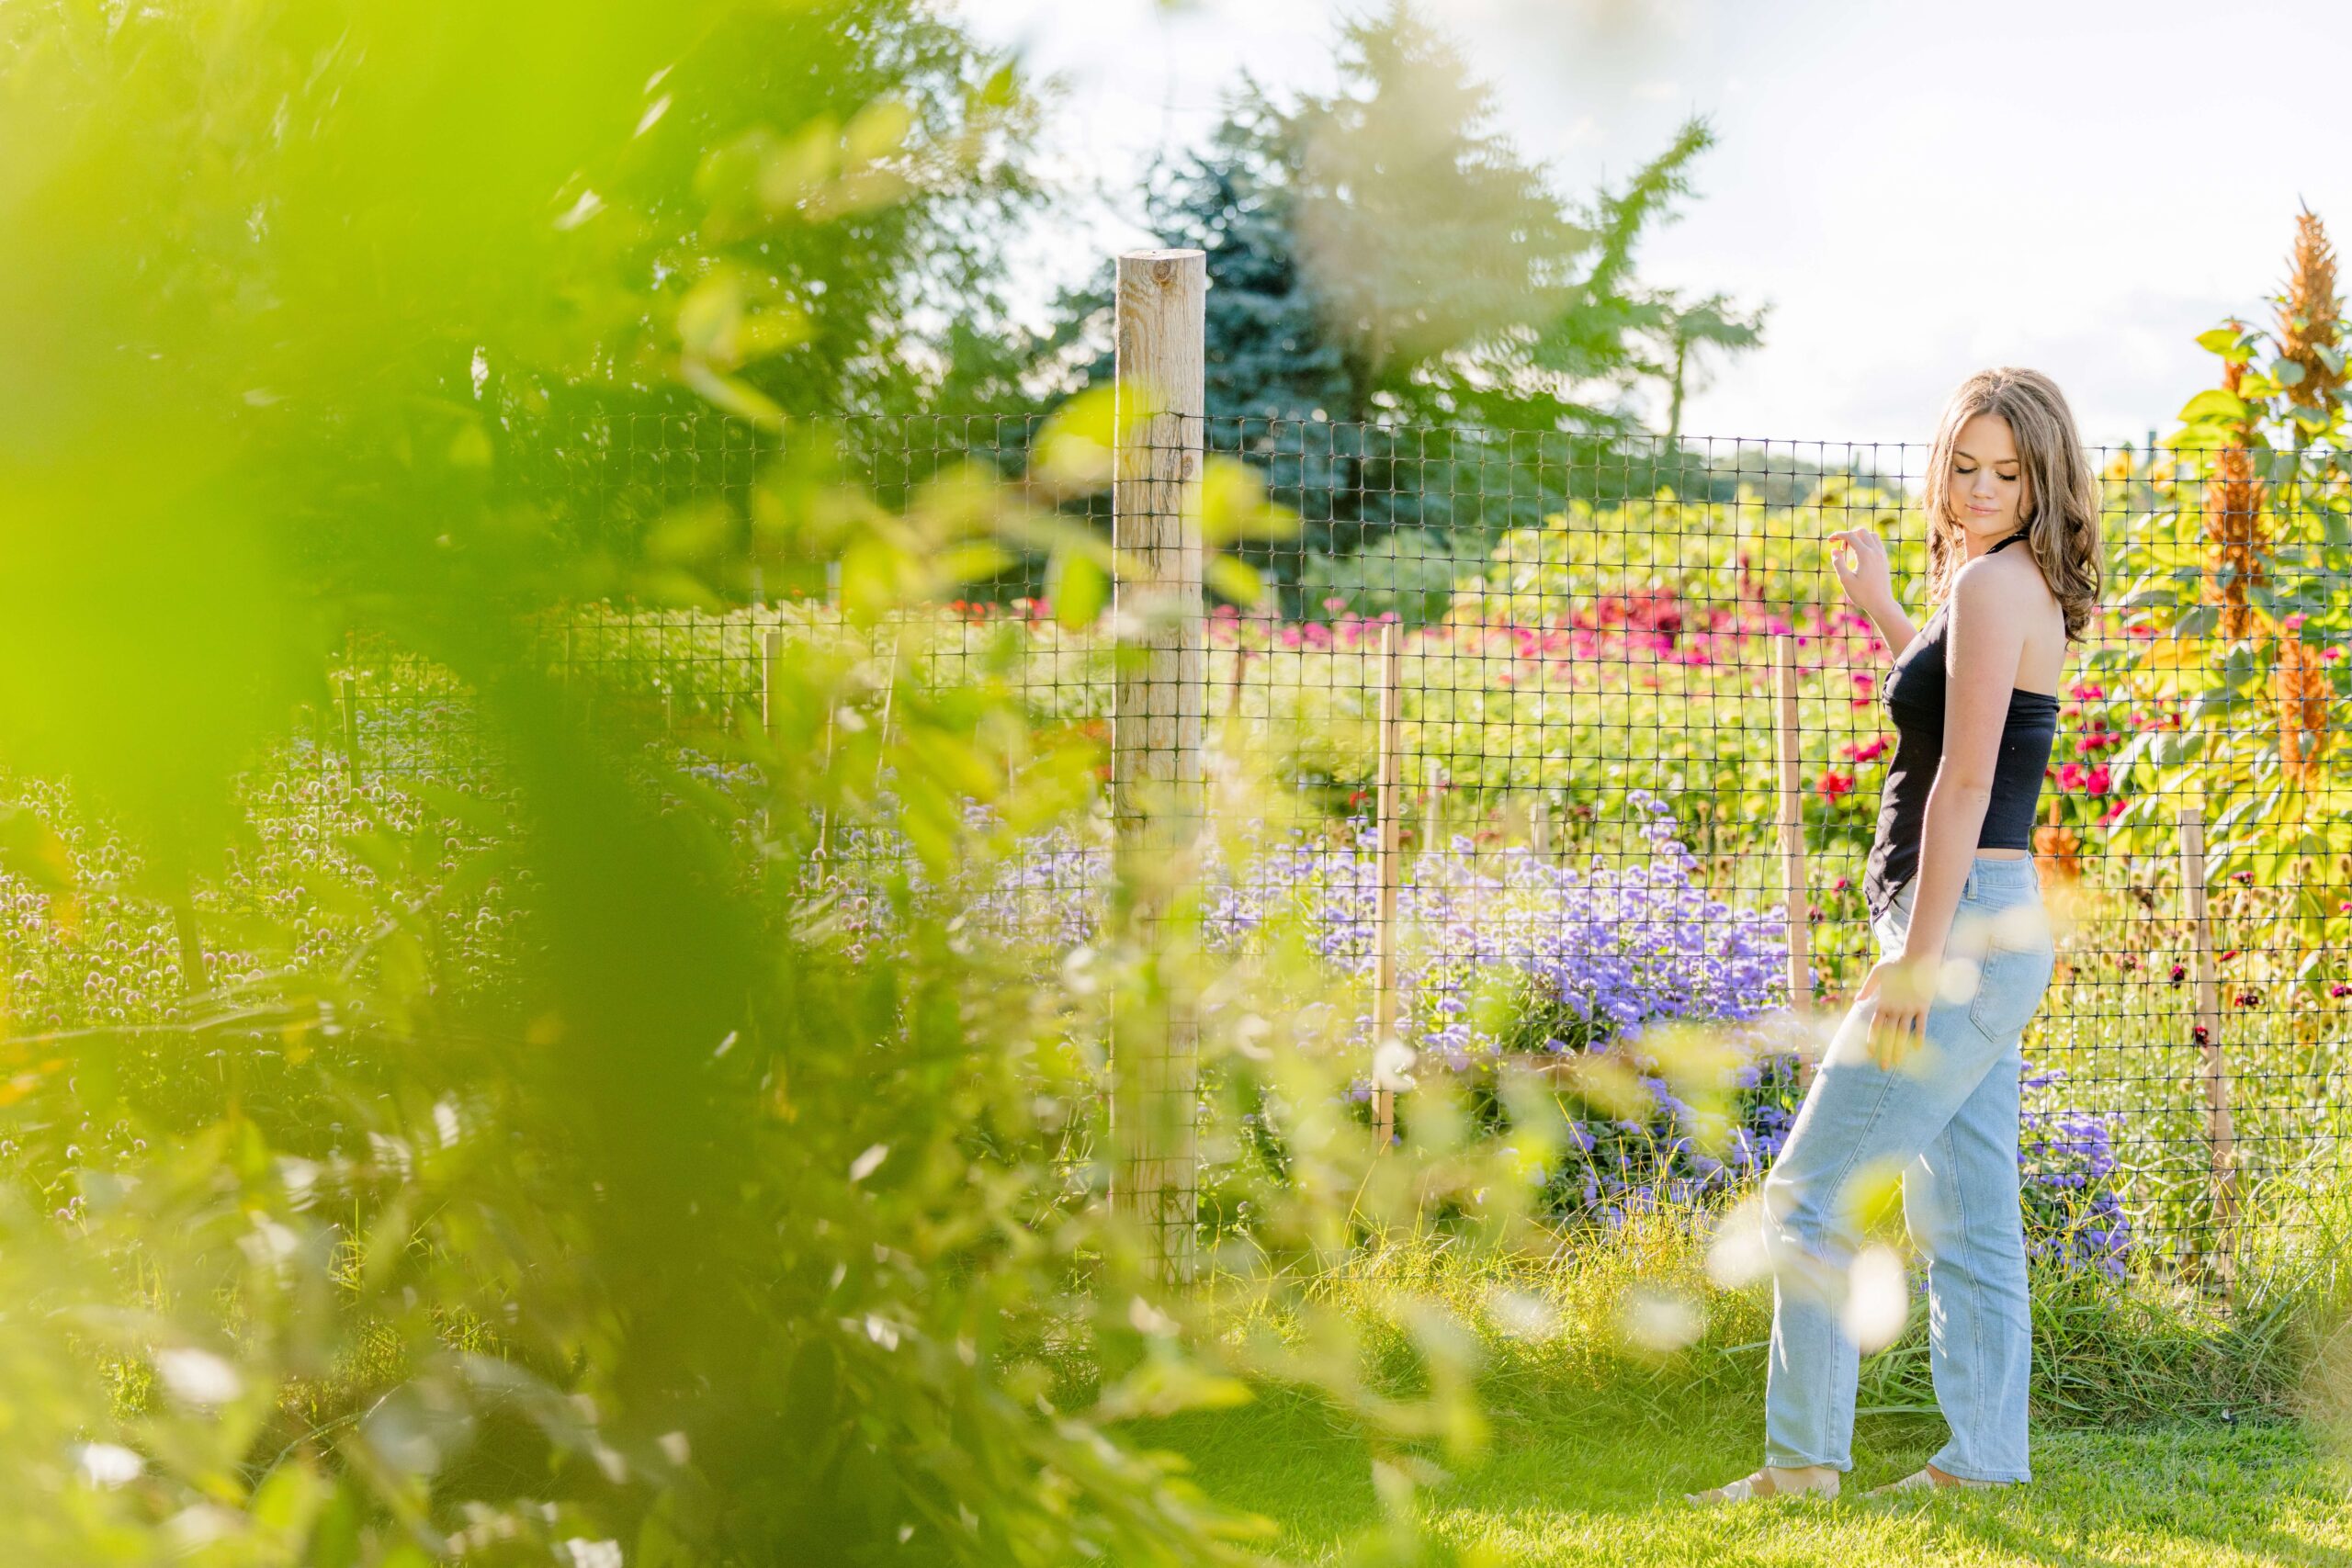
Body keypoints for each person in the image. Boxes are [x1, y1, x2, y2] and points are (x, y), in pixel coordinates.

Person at [1688, 367, 2105, 1504]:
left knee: (1808, 1196)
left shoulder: (1988, 589)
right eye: (1962, 466)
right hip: (1996, 930)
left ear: (2046, 475)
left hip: (1959, 929)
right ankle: (1980, 1466)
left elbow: (1964, 782)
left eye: (2006, 473)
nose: (1977, 489)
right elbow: (1949, 712)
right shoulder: (2012, 586)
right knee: (1971, 1218)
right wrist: (1881, 604)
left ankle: (1801, 1465)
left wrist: (1915, 956)